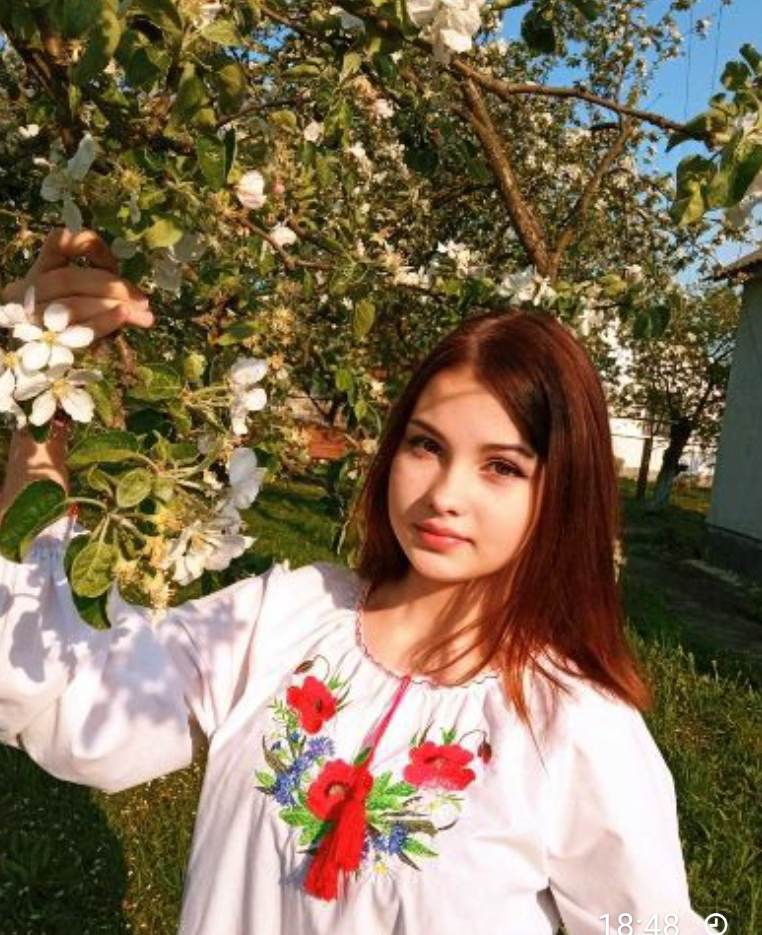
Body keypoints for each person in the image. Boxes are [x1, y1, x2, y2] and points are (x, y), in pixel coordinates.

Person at [0, 229, 708, 934]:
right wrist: (43, 398)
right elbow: (72, 702)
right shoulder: (288, 615)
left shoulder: (575, 726)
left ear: (562, 493)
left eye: (501, 466)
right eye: (426, 446)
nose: (445, 494)